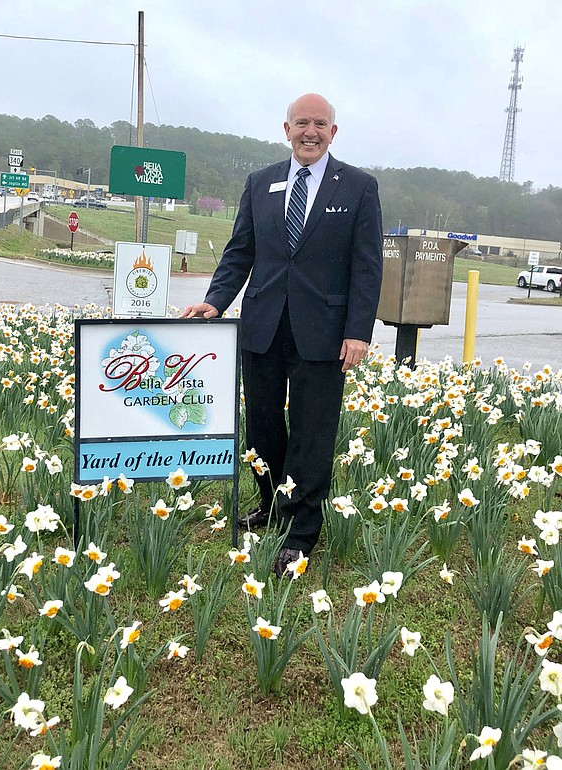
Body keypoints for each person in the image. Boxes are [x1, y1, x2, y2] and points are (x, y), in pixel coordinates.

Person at [181, 93, 383, 576]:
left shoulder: (358, 187)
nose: (309, 132)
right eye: (301, 124)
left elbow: (367, 267)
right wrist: (216, 299)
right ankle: (270, 504)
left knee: (313, 432)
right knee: (264, 426)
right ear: (286, 129)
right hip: (263, 326)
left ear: (333, 132)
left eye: (319, 124)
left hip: (325, 333)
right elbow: (239, 252)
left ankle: (301, 531)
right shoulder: (260, 183)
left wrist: (358, 331)